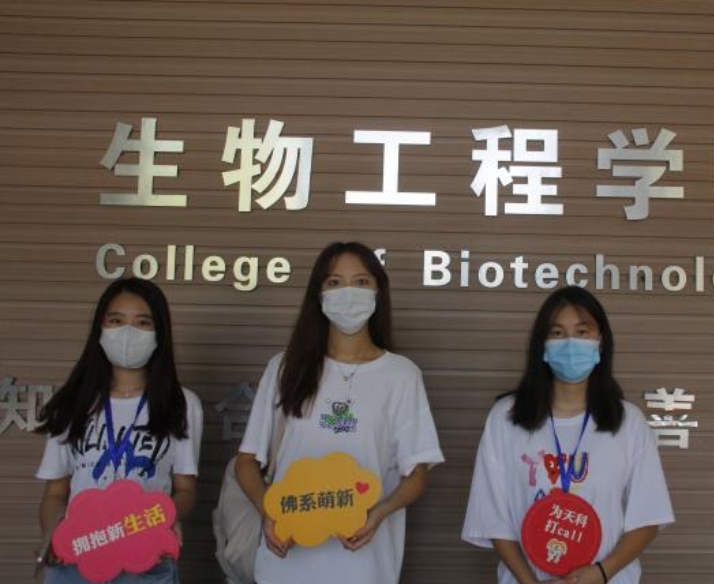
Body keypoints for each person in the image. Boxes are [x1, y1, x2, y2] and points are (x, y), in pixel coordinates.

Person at [235, 241, 444, 584]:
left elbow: (417, 473)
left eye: (361, 282)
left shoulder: (402, 374)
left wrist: (379, 513)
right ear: (319, 296)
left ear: (378, 292)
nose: (348, 293)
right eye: (335, 282)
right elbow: (246, 463)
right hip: (286, 565)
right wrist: (269, 513)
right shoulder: (285, 368)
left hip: (366, 568)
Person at [462, 286, 674, 584]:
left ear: (601, 342)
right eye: (557, 333)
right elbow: (493, 517)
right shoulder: (505, 418)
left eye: (582, 331)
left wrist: (601, 573)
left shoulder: (629, 423)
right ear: (542, 346)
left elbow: (647, 517)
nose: (571, 343)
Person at [35, 277, 203, 584]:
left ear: (159, 333)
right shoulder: (72, 404)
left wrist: (165, 518)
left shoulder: (182, 404)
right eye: (116, 320)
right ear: (100, 328)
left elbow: (186, 490)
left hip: (146, 560)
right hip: (78, 557)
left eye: (142, 323)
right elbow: (55, 493)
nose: (127, 332)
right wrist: (54, 532)